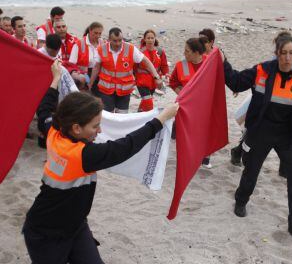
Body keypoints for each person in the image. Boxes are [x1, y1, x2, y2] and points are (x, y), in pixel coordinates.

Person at [23, 60, 179, 264]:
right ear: (77, 128)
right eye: (96, 126)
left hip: (74, 225)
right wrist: (161, 119)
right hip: (45, 232)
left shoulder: (54, 130)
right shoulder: (83, 155)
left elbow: (45, 109)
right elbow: (126, 147)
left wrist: (55, 78)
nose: (100, 131)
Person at [223, 32, 292, 239]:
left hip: (288, 135)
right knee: (251, 171)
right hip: (261, 131)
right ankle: (241, 201)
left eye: (291, 53)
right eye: (283, 53)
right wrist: (224, 63)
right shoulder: (262, 71)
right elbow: (237, 82)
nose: (287, 57)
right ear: (277, 53)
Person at [229, 39, 292, 173]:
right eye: (289, 51)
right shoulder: (274, 65)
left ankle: (284, 170)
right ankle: (238, 152)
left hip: (288, 116)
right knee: (252, 137)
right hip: (265, 112)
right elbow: (249, 79)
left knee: (290, 144)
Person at [88, 27, 162, 113]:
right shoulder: (101, 49)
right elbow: (96, 67)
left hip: (124, 91)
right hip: (106, 90)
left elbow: (146, 61)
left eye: (120, 40)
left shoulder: (130, 49)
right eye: (115, 41)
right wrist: (90, 83)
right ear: (109, 40)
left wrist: (156, 77)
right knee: (108, 115)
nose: (118, 43)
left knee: (122, 116)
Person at [168, 37, 213, 168]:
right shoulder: (180, 65)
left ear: (197, 53)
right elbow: (173, 82)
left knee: (205, 131)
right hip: (186, 106)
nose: (184, 53)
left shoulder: (209, 63)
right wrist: (182, 94)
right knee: (186, 132)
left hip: (205, 106)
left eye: (187, 51)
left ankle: (205, 157)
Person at [134, 29, 169, 112]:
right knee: (148, 101)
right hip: (141, 82)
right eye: (148, 38)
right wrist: (134, 79)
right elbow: (134, 67)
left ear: (155, 39)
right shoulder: (140, 52)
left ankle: (139, 113)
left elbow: (164, 65)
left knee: (146, 100)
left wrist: (166, 74)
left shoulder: (160, 51)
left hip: (154, 82)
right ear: (144, 39)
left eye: (152, 38)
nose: (150, 40)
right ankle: (148, 118)